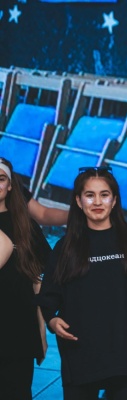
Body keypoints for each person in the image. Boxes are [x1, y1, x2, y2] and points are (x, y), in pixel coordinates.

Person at [37, 166, 127, 400]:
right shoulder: (65, 247)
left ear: (114, 200)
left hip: (126, 347)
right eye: (90, 195)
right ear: (78, 201)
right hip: (80, 349)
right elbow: (49, 295)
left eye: (104, 195)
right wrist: (52, 320)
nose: (97, 202)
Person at [0, 158, 51, 400]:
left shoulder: (26, 226)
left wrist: (40, 331)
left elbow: (37, 280)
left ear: (10, 186)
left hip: (18, 329)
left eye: (0, 179)